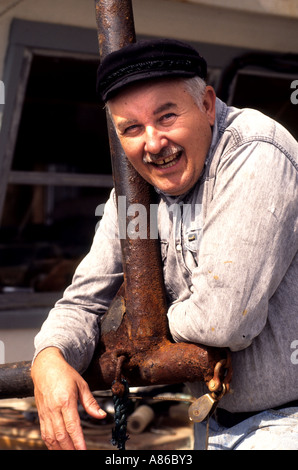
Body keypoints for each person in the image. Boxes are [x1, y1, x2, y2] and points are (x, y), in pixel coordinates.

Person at [31, 39, 298, 450]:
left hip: (286, 422)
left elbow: (222, 320)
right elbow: (85, 300)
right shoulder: (136, 191)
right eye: (131, 129)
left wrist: (142, 326)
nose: (152, 143)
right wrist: (49, 356)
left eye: (166, 116)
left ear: (207, 105)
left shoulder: (256, 152)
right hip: (215, 422)